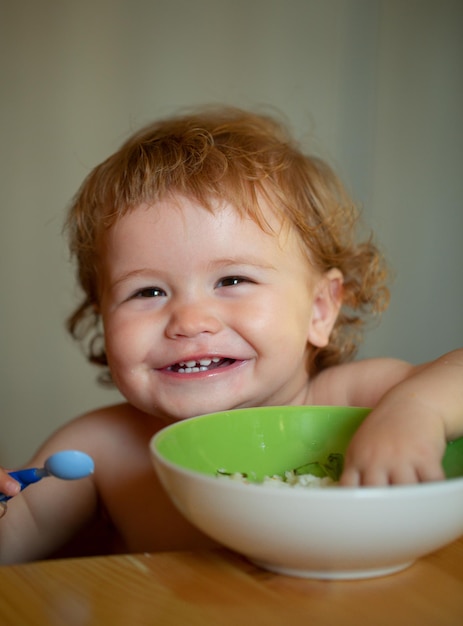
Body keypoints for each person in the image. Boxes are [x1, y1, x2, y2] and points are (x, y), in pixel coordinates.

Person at [1, 106, 462, 565]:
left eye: (231, 281)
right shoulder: (96, 451)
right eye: (148, 291)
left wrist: (414, 411)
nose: (189, 320)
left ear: (320, 309)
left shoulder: (353, 404)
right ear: (102, 315)